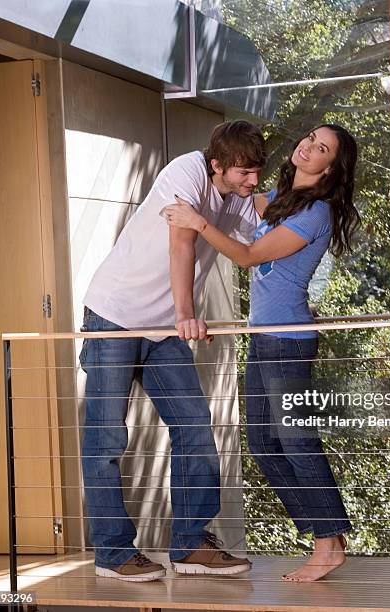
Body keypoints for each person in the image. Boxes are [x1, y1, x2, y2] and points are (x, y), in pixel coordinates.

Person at [163, 123, 360, 582]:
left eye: (322, 148)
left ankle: (327, 543)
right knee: (265, 446)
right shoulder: (284, 197)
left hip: (289, 341)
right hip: (265, 337)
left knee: (295, 442)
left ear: (331, 168)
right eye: (310, 138)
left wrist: (199, 223)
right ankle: (325, 533)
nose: (309, 146)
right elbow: (240, 193)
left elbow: (249, 255)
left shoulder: (316, 213)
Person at [79, 121, 266, 581]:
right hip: (116, 315)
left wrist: (283, 202)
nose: (252, 181)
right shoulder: (186, 172)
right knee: (105, 440)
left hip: (162, 330)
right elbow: (181, 243)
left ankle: (189, 545)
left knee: (195, 428)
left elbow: (259, 238)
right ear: (216, 163)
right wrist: (186, 314)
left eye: (257, 172)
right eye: (244, 172)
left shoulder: (238, 194)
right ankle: (113, 553)